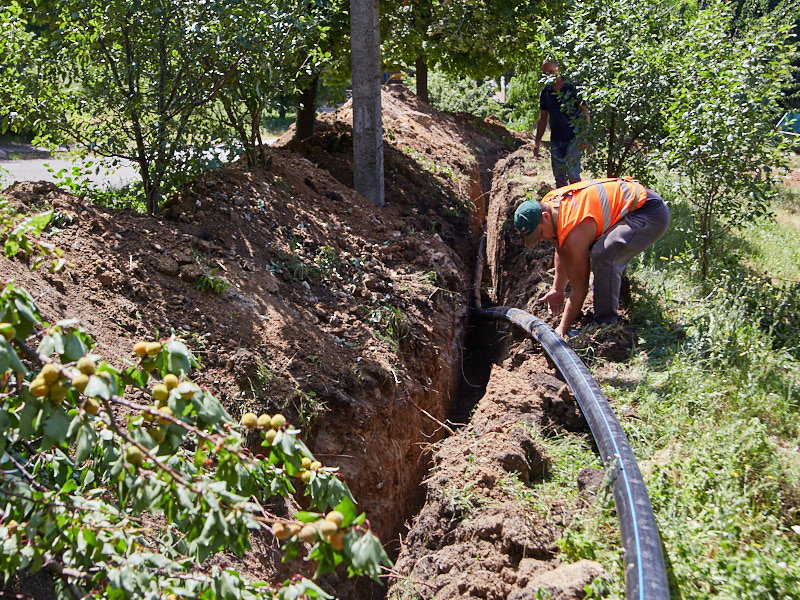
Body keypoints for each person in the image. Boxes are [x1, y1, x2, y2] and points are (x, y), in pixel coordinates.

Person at [513, 177, 670, 337]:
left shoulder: (574, 232)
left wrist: (561, 329)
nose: (540, 239)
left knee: (605, 254)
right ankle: (616, 289)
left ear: (545, 217)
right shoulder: (549, 203)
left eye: (539, 234)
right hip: (631, 206)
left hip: (649, 213)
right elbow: (560, 247)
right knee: (603, 249)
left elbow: (580, 288)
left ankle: (605, 323)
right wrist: (557, 289)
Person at [533, 60, 590, 188]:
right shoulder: (545, 93)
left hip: (574, 138)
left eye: (551, 72)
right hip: (555, 140)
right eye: (545, 73)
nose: (549, 76)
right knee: (559, 177)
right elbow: (543, 119)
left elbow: (585, 112)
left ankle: (577, 206)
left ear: (559, 70)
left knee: (573, 175)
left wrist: (584, 136)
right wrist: (537, 142)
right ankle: (563, 206)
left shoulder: (572, 88)